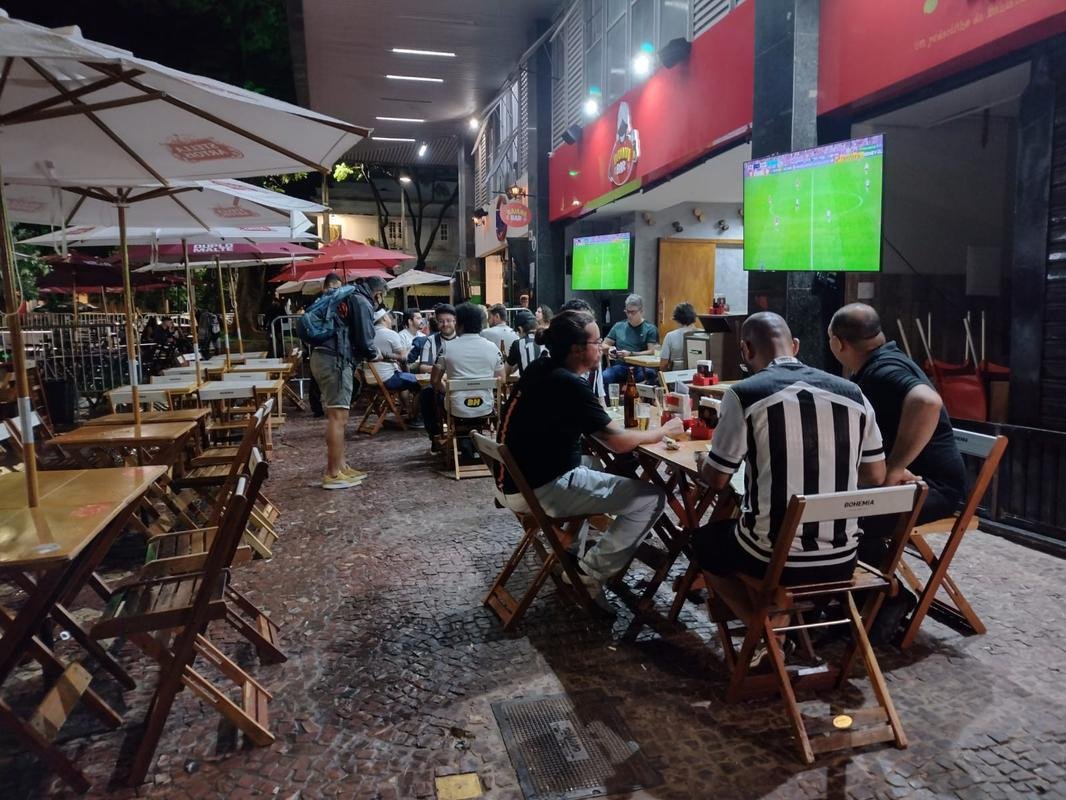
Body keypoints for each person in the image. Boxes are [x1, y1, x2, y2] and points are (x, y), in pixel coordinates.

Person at [497, 310, 683, 594]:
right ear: (576, 349)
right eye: (597, 342)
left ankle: (571, 549)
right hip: (540, 488)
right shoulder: (568, 383)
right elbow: (618, 443)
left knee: (595, 463)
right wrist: (663, 431)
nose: (602, 348)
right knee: (652, 498)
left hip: (514, 480)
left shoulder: (541, 367)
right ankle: (588, 572)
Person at [694, 312, 886, 586]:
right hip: (842, 559)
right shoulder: (853, 393)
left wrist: (702, 460)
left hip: (769, 559)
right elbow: (875, 475)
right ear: (795, 346)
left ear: (746, 349)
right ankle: (770, 610)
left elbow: (717, 478)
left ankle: (754, 611)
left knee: (703, 541)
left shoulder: (744, 394)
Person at [829, 303, 966, 638]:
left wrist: (895, 468)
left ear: (837, 342)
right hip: (915, 486)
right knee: (835, 508)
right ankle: (856, 596)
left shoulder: (884, 370)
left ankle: (888, 597)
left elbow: (927, 401)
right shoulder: (879, 363)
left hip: (933, 489)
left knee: (839, 519)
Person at [308, 272, 383, 490]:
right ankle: (332, 473)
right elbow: (365, 340)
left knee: (340, 416)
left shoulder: (350, 297)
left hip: (325, 356)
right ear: (378, 293)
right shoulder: (361, 301)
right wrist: (374, 354)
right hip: (335, 360)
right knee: (337, 418)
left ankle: (341, 466)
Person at [429, 302, 506, 452]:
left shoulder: (447, 348)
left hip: (457, 408)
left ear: (460, 325)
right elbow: (501, 380)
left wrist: (447, 390)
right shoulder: (493, 348)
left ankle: (445, 440)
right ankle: (476, 441)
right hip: (485, 407)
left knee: (431, 398)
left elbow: (434, 380)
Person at [370, 307, 421, 422]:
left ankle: (407, 409)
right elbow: (403, 358)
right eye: (389, 317)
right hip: (387, 378)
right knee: (422, 384)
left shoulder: (369, 334)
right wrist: (391, 356)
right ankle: (414, 416)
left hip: (371, 379)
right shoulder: (390, 334)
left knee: (406, 379)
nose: (391, 319)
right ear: (384, 318)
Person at [602, 294, 659, 385]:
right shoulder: (618, 326)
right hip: (620, 366)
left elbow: (652, 351)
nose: (629, 315)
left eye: (633, 312)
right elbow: (604, 344)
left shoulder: (650, 328)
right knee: (605, 376)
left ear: (641, 311)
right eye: (627, 312)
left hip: (641, 367)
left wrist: (631, 354)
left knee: (650, 375)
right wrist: (610, 348)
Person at [560, 298, 607, 404]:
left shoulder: (593, 356)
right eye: (584, 322)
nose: (599, 348)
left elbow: (600, 399)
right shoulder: (557, 369)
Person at [659, 302, 698, 371]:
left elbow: (663, 365)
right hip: (696, 375)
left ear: (676, 318)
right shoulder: (702, 334)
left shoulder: (670, 336)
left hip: (675, 375)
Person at [506, 309, 546, 376]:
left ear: (520, 329)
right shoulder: (546, 339)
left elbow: (506, 371)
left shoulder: (517, 344)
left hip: (528, 382)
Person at [264, 294, 287, 358]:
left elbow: (266, 318)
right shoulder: (280, 308)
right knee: (278, 341)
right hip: (277, 327)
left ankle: (273, 354)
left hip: (273, 327)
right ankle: (279, 354)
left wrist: (264, 326)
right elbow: (285, 318)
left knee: (273, 341)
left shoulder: (270, 308)